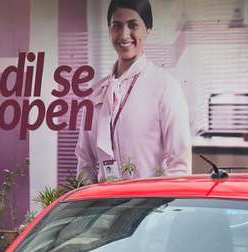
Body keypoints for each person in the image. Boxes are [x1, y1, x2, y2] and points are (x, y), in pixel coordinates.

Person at [76, 0, 192, 182]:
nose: (124, 35)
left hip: (151, 207)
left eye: (133, 25)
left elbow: (180, 165)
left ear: (147, 28)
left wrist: (157, 206)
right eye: (117, 26)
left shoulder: (166, 88)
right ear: (109, 30)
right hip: (104, 206)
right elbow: (85, 162)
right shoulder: (95, 94)